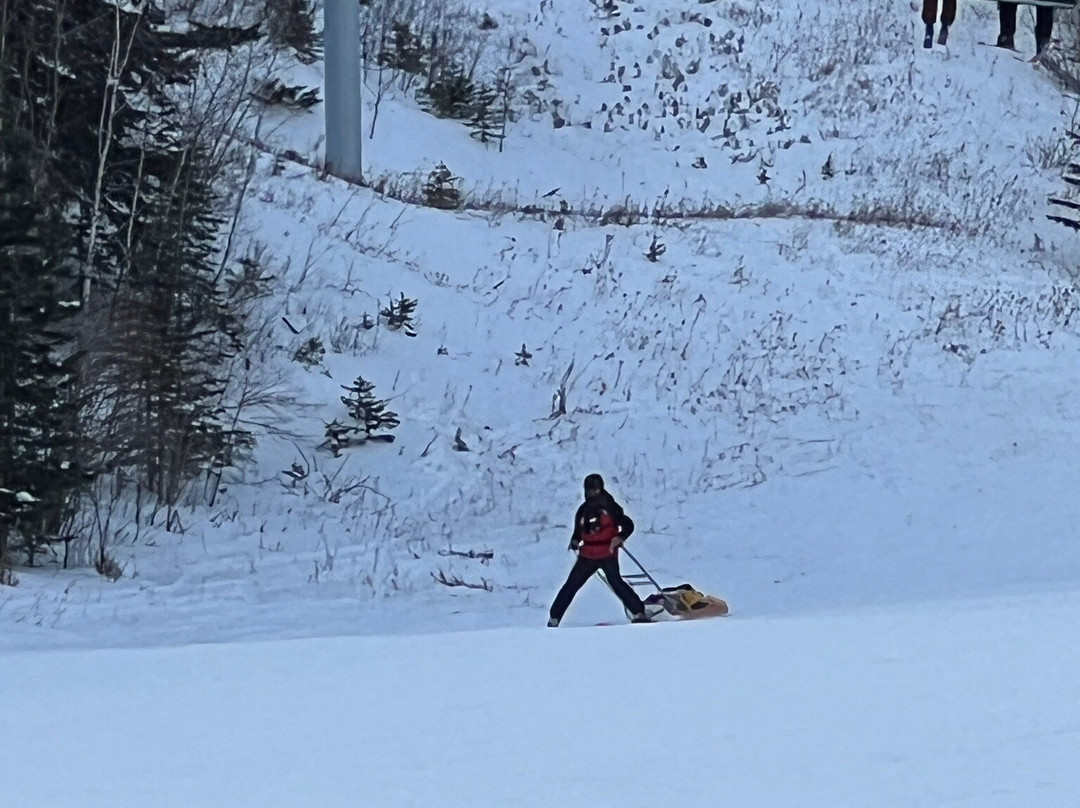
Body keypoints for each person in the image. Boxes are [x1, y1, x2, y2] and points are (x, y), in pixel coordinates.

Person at [548, 474, 650, 626]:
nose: (593, 493)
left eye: (595, 490)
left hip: (607, 552)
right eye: (590, 490)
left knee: (616, 582)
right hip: (587, 555)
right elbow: (578, 532)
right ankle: (554, 618)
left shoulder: (611, 507)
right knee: (571, 585)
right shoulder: (583, 510)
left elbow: (628, 525)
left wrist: (620, 537)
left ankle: (638, 612)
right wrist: (575, 541)